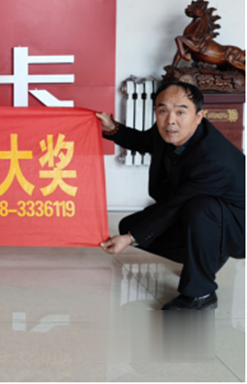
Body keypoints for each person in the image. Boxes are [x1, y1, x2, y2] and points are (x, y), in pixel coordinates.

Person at [97, 81, 245, 310]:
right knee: (130, 226)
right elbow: (143, 141)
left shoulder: (213, 159)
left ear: (199, 116)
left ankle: (201, 294)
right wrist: (112, 127)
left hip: (238, 225)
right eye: (163, 110)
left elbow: (176, 205)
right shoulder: (168, 132)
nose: (170, 120)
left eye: (180, 112)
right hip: (203, 214)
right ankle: (208, 255)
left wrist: (130, 239)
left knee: (200, 208)